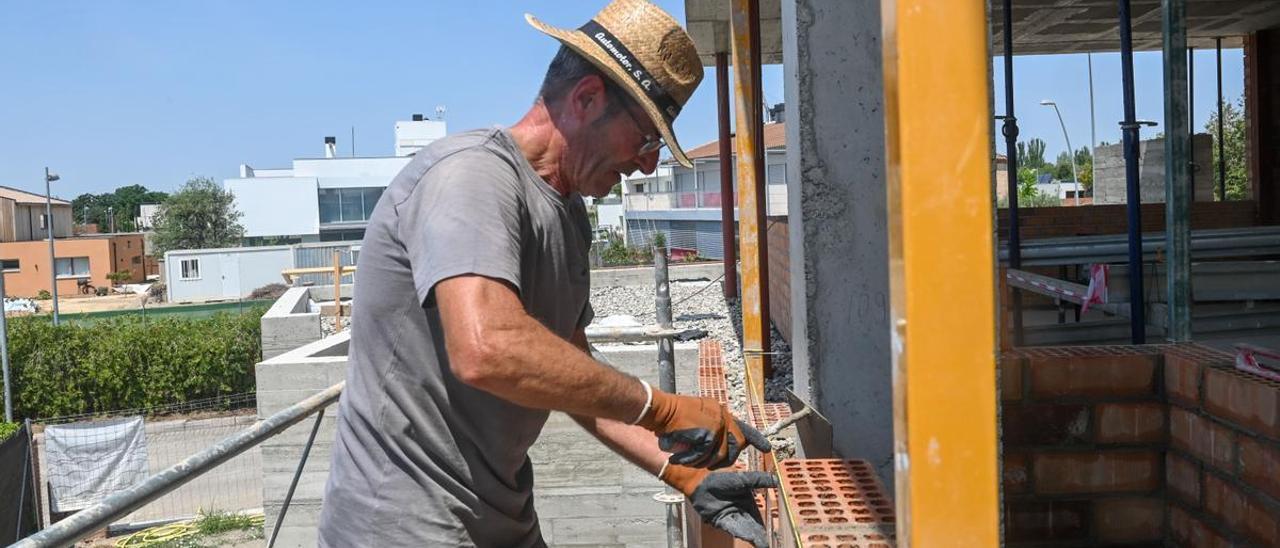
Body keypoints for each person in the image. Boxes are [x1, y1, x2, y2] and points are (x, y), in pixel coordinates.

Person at [318, 1, 776, 546]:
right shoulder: (470, 177)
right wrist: (663, 408)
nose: (647, 165)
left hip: (501, 518)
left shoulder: (567, 212)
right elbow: (488, 349)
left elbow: (570, 369)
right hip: (403, 528)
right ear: (586, 99)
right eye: (647, 139)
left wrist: (682, 470)